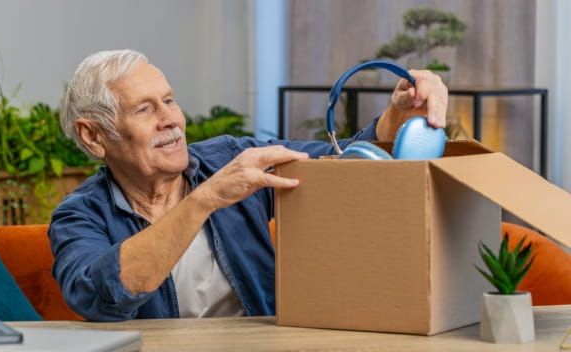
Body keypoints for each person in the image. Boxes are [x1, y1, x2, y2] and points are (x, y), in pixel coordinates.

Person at [49, 49, 447, 321]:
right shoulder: (79, 216)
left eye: (169, 101)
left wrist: (397, 115)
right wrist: (206, 198)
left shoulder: (229, 157)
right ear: (94, 137)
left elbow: (342, 165)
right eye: (144, 109)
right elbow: (101, 297)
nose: (170, 120)